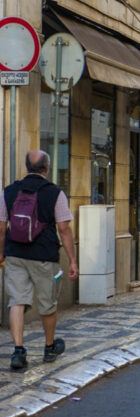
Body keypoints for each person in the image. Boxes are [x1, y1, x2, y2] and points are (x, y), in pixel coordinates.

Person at [1, 151, 79, 371]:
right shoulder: (55, 193)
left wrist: (1, 252)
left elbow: (0, 228)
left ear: (27, 167)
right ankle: (49, 347)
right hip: (44, 256)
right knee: (48, 303)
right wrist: (72, 260)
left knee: (17, 300)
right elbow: (64, 230)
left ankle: (18, 351)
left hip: (15, 253)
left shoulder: (8, 192)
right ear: (46, 168)